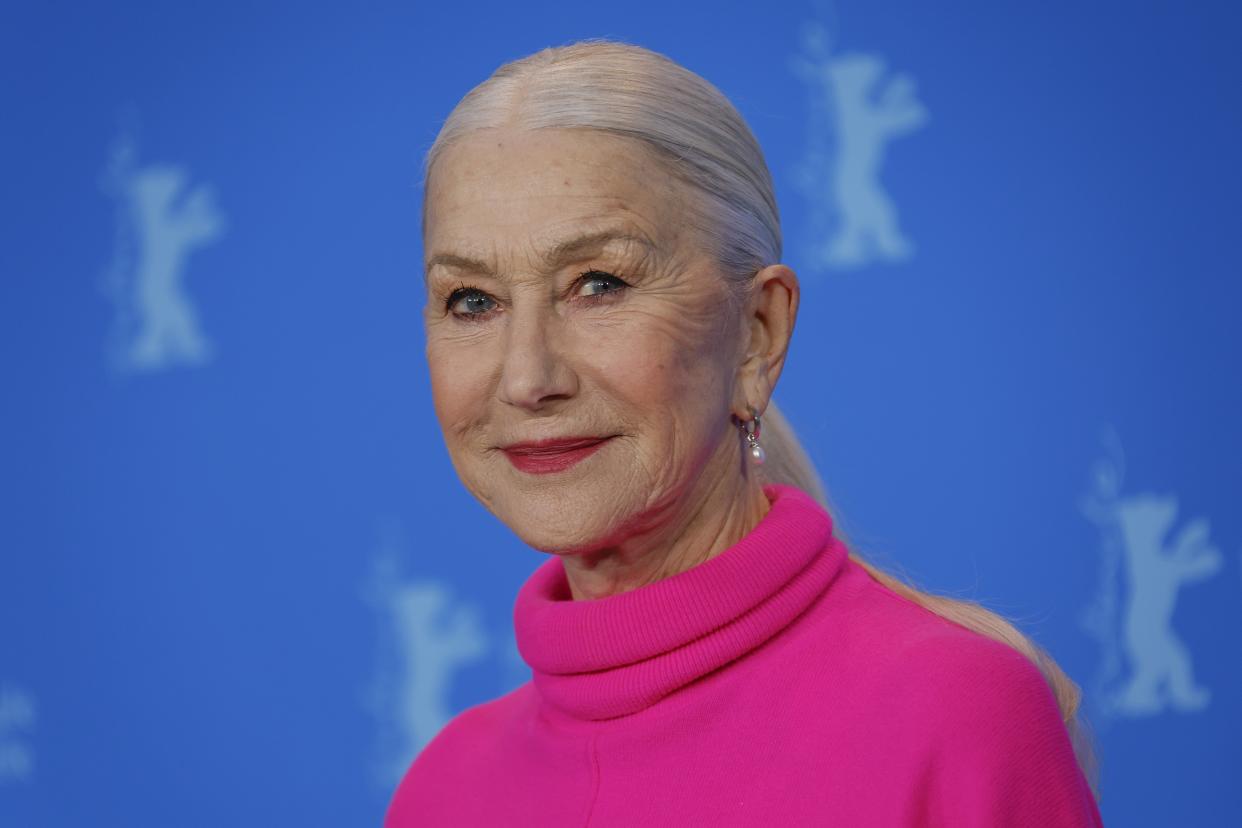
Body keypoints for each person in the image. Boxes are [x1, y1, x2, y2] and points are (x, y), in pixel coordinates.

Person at [386, 38, 1104, 827]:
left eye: (599, 284)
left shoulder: (954, 713)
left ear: (758, 333)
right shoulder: (445, 788)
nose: (526, 377)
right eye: (472, 301)